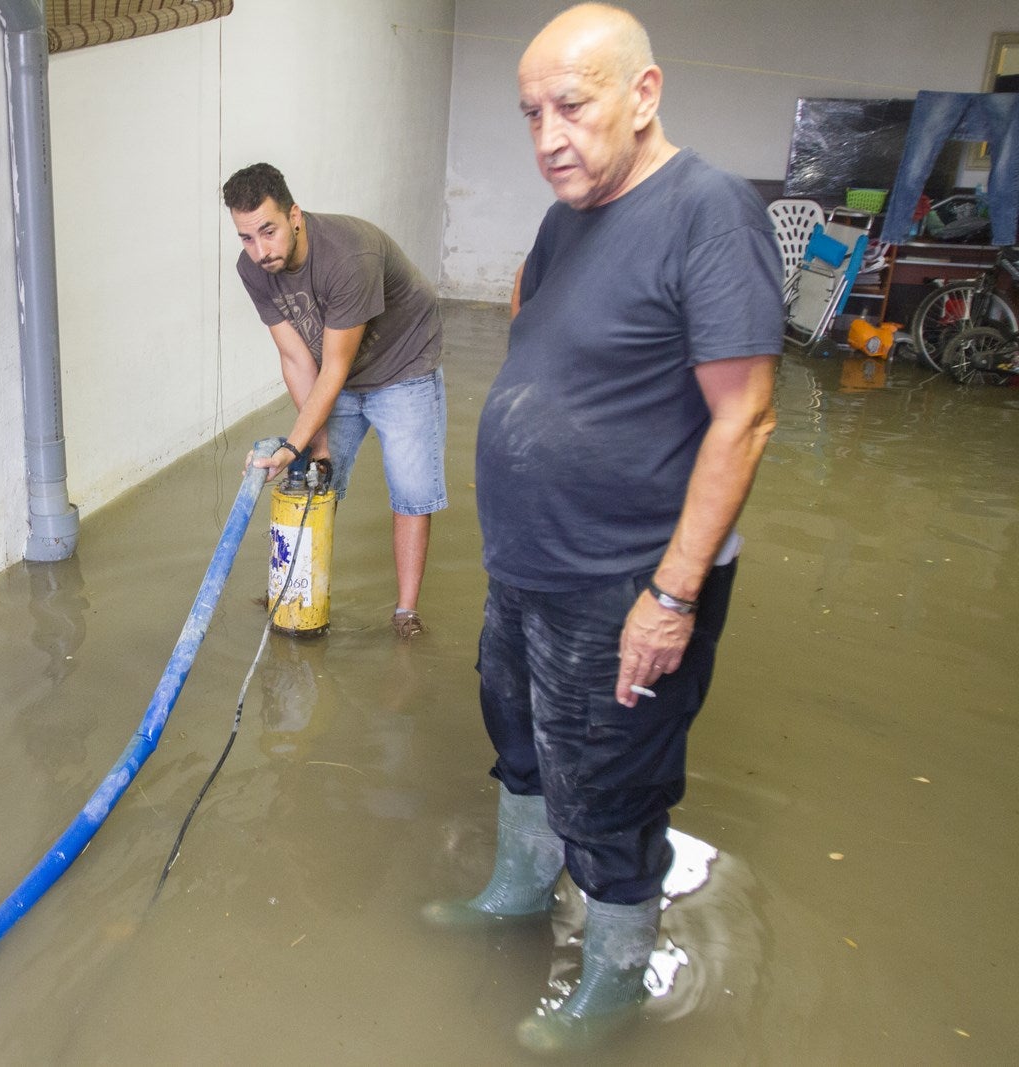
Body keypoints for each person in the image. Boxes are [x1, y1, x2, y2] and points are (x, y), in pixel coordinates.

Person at [423, 3, 783, 1053]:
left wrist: (669, 596)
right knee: (526, 744)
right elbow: (541, 329)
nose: (546, 137)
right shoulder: (566, 216)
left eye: (570, 107)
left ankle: (614, 981)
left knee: (610, 782)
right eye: (531, 111)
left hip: (626, 577)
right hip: (530, 563)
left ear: (644, 92)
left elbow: (744, 414)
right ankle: (516, 892)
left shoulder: (706, 210)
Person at [223, 163, 447, 638]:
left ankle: (406, 611)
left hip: (402, 364)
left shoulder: (349, 255)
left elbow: (336, 367)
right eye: (246, 238)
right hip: (334, 370)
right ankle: (296, 586)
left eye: (268, 231)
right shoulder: (254, 270)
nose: (260, 250)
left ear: (295, 216)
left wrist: (290, 446)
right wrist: (315, 445)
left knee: (409, 487)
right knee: (314, 479)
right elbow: (295, 356)